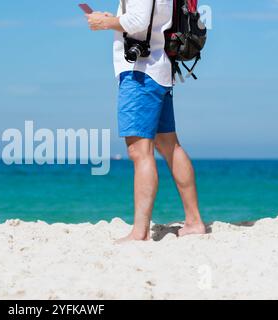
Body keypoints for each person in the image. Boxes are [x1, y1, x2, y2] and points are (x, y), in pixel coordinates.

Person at [85, 0, 206, 241]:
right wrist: (117, 17)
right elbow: (149, 20)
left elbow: (139, 23)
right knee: (169, 146)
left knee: (139, 151)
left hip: (140, 73)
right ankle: (193, 222)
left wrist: (105, 22)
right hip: (159, 69)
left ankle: (139, 232)